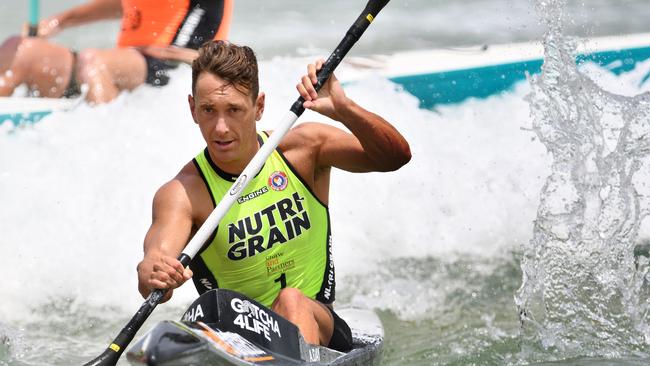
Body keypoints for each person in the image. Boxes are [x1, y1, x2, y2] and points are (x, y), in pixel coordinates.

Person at [136, 40, 411, 352]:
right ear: (192, 109)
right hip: (239, 344)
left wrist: (345, 110)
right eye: (208, 110)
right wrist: (152, 270)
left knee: (291, 300)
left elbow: (394, 157)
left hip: (319, 326)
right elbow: (154, 266)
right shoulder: (184, 193)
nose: (221, 128)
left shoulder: (303, 151)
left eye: (234, 110)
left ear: (260, 107)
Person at [0, 0, 232, 104]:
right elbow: (124, 3)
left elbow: (199, 55)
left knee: (94, 62)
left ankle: (99, 155)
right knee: (18, 50)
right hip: (121, 68)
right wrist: (59, 21)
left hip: (178, 73)